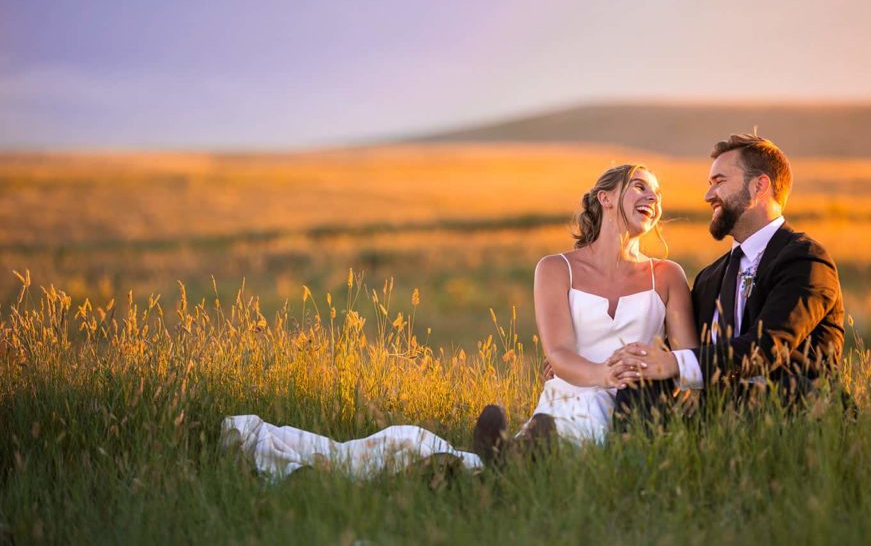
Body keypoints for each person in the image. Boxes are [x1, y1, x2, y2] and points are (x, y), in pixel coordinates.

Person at [221, 164, 697, 479]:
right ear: (606, 198)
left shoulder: (668, 276)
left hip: (632, 409)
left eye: (658, 193)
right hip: (570, 395)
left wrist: (652, 372)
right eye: (640, 184)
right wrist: (601, 373)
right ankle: (519, 454)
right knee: (406, 441)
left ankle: (503, 458)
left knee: (420, 451)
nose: (652, 196)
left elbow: (690, 363)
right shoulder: (557, 269)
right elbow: (558, 353)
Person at [609, 134, 845, 417]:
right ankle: (633, 459)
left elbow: (769, 347)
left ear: (759, 186)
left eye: (719, 182)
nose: (709, 195)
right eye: (710, 184)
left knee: (792, 389)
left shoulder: (805, 260)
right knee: (641, 386)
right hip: (719, 412)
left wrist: (676, 364)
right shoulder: (711, 277)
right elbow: (669, 346)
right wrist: (582, 357)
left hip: (788, 411)